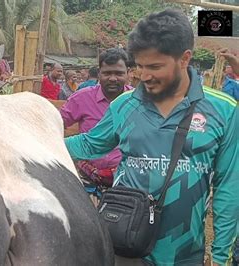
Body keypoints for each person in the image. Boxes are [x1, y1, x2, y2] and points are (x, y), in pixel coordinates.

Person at [64, 9, 238, 266]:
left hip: (184, 251)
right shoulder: (125, 104)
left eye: (155, 66)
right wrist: (37, 143)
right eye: (140, 66)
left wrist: (222, 255)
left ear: (184, 59)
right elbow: (90, 144)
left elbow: (228, 186)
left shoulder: (224, 110)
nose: (144, 76)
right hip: (125, 246)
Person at [60, 48, 132, 202]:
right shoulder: (82, 98)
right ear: (99, 73)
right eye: (107, 73)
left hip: (127, 183)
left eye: (119, 73)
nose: (113, 78)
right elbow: (58, 123)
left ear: (128, 73)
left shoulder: (136, 102)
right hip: (87, 182)